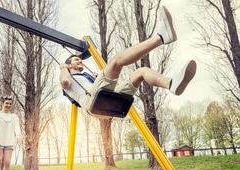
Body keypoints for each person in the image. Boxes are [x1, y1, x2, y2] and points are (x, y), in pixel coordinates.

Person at [59, 6, 196, 117]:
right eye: (76, 60)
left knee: (141, 72)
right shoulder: (67, 76)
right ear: (69, 64)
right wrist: (63, 67)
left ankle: (171, 84)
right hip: (93, 102)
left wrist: (96, 80)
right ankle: (161, 37)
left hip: (109, 102)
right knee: (116, 62)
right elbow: (65, 82)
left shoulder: (83, 78)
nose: (80, 61)